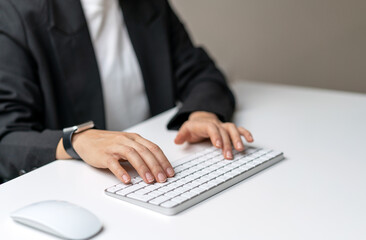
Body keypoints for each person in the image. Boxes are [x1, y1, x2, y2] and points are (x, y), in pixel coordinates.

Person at [0, 0, 253, 184]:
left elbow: (200, 72)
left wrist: (202, 114)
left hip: (157, 175)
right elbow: (7, 138)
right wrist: (76, 141)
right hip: (80, 187)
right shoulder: (17, 13)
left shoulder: (149, 5)